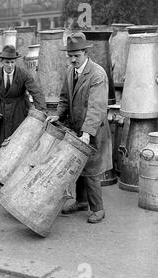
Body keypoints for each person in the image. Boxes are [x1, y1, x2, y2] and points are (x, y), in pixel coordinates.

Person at [46, 32, 112, 224]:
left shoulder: (97, 74)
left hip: (93, 130)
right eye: (70, 55)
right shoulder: (70, 71)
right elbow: (65, 98)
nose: (73, 59)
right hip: (76, 129)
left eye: (77, 55)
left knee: (91, 170)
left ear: (85, 52)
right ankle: (82, 202)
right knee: (78, 165)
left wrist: (86, 133)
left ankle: (98, 209)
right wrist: (58, 114)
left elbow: (96, 107)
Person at [0, 45, 46, 150]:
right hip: (1, 108)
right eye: (7, 62)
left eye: (12, 62)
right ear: (2, 62)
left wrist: (41, 112)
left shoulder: (23, 74)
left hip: (19, 109)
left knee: (18, 140)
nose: (10, 65)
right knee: (0, 139)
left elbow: (36, 92)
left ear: (15, 62)